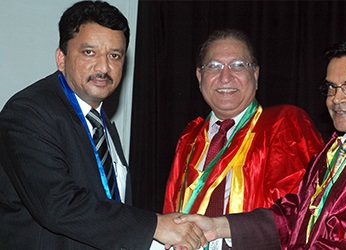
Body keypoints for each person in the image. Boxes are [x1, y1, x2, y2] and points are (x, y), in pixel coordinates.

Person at [176, 38, 346, 249]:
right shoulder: (338, 148)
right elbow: (296, 215)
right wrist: (219, 226)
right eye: (331, 88)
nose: (337, 99)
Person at [0, 1, 206, 249]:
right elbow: (57, 205)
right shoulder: (29, 111)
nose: (104, 67)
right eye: (89, 52)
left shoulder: (102, 123)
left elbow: (108, 208)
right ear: (61, 58)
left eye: (114, 55)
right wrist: (155, 227)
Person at [163, 29, 323, 249]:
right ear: (200, 77)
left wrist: (222, 227)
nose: (225, 77)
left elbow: (299, 213)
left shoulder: (283, 124)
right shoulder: (190, 137)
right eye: (214, 66)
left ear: (255, 75)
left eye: (238, 65)